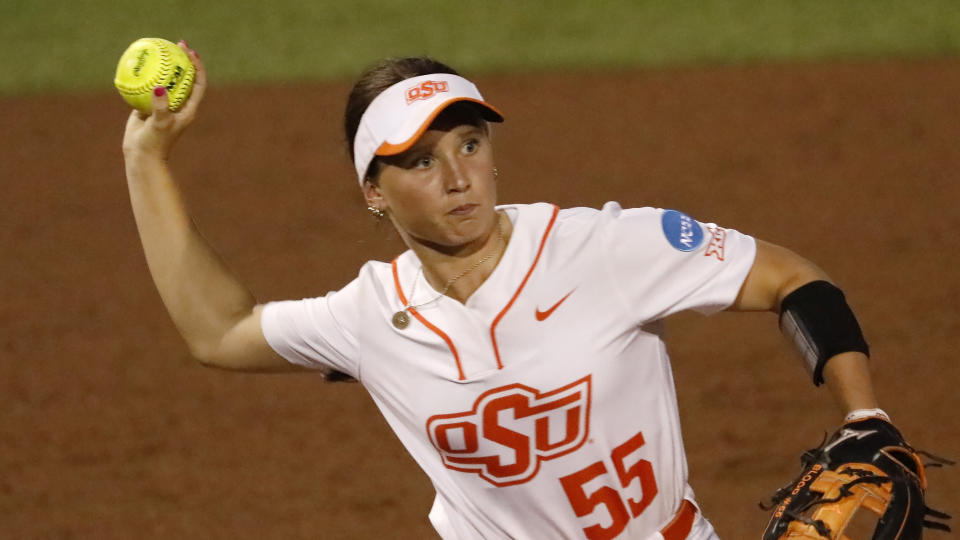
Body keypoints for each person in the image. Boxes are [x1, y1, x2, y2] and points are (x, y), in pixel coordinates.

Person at [123, 42, 891, 539]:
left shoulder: (603, 247)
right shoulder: (370, 316)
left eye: (470, 143)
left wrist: (863, 413)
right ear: (374, 192)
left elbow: (795, 278)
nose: (459, 177)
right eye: (420, 161)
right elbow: (217, 331)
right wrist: (146, 160)